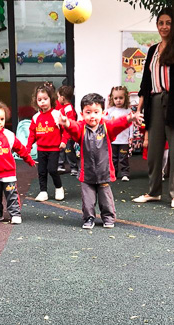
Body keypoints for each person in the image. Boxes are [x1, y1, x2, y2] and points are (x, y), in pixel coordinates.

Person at [133, 8, 174, 208]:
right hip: (154, 103)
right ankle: (153, 192)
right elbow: (145, 83)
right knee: (153, 152)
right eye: (161, 23)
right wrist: (138, 110)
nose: (164, 27)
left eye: (168, 23)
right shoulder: (153, 50)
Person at [60, 92, 134, 230]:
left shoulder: (106, 127)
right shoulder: (81, 128)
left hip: (103, 171)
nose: (92, 116)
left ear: (103, 113)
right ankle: (89, 218)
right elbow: (74, 127)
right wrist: (67, 123)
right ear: (82, 114)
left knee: (106, 198)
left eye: (96, 112)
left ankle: (108, 218)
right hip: (87, 173)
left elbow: (117, 124)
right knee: (87, 200)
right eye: (88, 112)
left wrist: (129, 118)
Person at [26, 83, 66, 201]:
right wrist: (28, 147)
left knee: (52, 170)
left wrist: (63, 141)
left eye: (45, 99)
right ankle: (43, 191)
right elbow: (32, 134)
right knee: (41, 171)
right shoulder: (36, 117)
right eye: (39, 100)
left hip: (54, 149)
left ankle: (59, 188)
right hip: (41, 149)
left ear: (50, 99)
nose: (42, 102)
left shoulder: (56, 114)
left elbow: (65, 129)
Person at [105, 86, 133, 181]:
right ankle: (113, 174)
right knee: (113, 158)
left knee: (123, 158)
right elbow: (106, 123)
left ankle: (125, 173)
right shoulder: (110, 111)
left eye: (121, 98)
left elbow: (131, 125)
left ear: (125, 98)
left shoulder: (128, 111)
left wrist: (131, 136)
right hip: (113, 140)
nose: (118, 100)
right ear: (112, 99)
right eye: (116, 98)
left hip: (124, 140)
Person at [56, 85, 79, 176]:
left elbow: (70, 122)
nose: (57, 99)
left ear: (62, 98)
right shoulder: (62, 108)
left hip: (68, 135)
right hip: (62, 134)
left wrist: (67, 136)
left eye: (58, 97)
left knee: (69, 151)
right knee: (61, 149)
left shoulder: (68, 108)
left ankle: (74, 167)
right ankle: (60, 165)